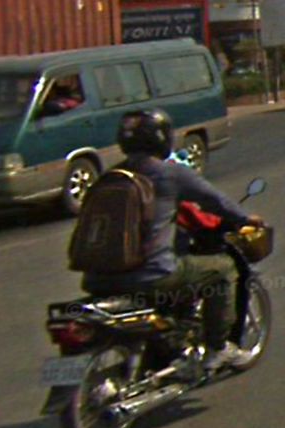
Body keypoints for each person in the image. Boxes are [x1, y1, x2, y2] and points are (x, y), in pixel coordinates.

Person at [81, 109, 264, 371]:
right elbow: (215, 201)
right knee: (223, 270)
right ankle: (219, 348)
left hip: (96, 277)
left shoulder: (111, 176)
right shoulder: (170, 174)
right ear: (161, 138)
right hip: (151, 275)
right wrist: (246, 218)